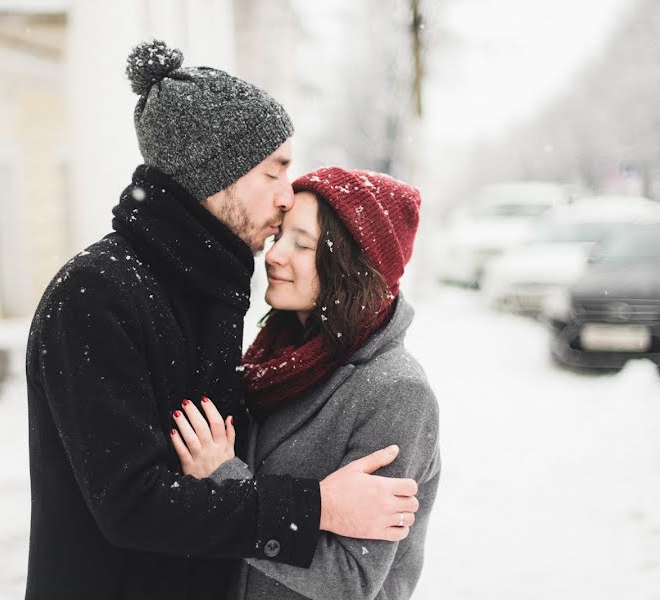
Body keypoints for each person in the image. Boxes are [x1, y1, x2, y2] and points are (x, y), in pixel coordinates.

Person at [24, 40, 419, 600]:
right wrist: (317, 507)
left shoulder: (208, 286)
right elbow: (134, 503)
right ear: (215, 174)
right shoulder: (97, 293)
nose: (289, 196)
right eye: (273, 171)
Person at [170, 167, 441, 599]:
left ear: (353, 266)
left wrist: (226, 482)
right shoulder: (274, 362)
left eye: (303, 244)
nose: (274, 256)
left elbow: (350, 581)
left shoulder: (394, 392)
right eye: (280, 238)